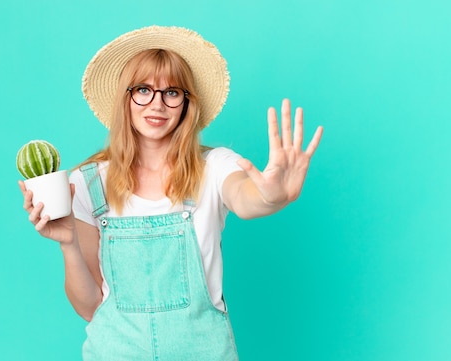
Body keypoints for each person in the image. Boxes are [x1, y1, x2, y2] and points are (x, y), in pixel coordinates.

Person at [19, 25, 323, 360]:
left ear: (186, 103)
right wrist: (68, 243)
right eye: (144, 90)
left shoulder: (214, 167)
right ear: (126, 97)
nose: (157, 104)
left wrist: (272, 196)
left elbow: (246, 197)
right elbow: (90, 306)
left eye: (172, 92)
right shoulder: (88, 183)